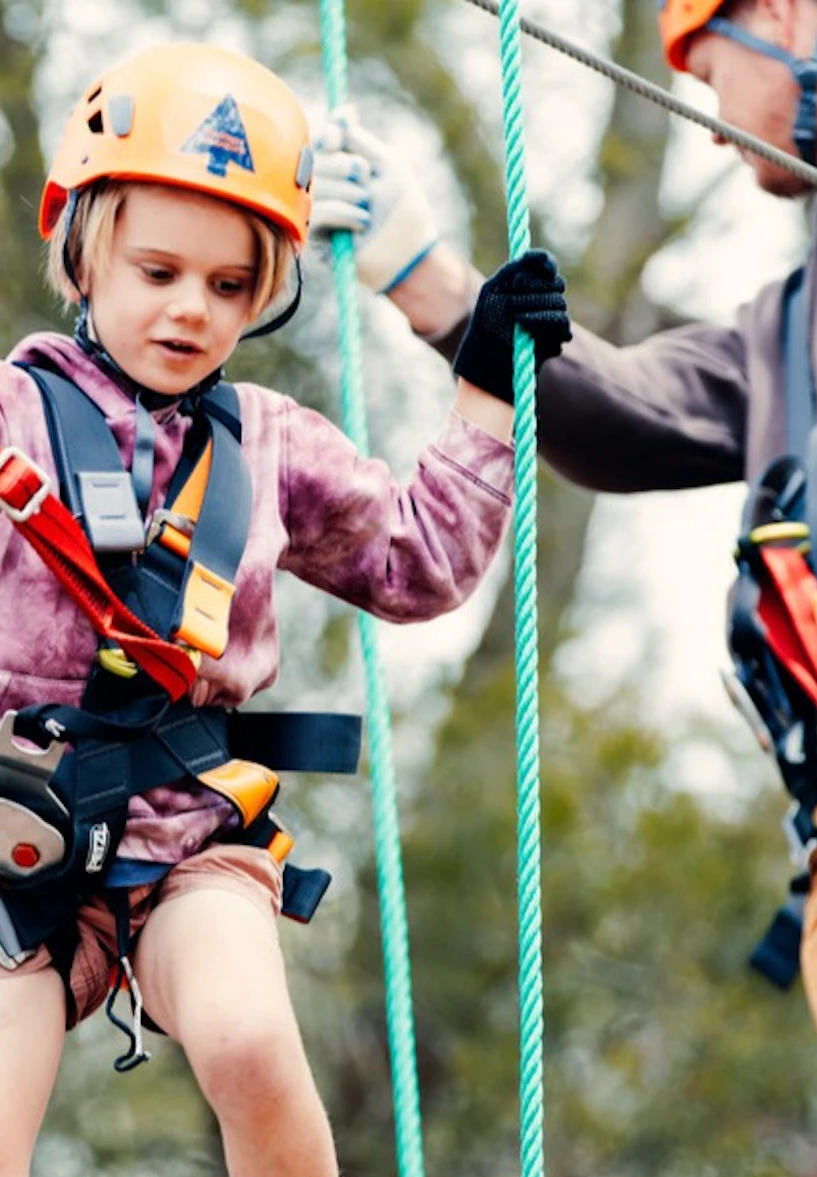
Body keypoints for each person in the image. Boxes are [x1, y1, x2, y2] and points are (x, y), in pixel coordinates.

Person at [0, 40, 570, 1177]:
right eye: (157, 271)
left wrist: (482, 395)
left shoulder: (273, 446)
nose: (190, 308)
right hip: (4, 841)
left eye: (229, 284)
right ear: (81, 248)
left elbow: (418, 564)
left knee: (251, 1037)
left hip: (190, 830)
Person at [307, 0, 817, 1006]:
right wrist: (438, 287)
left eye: (713, 79)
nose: (712, 126)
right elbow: (629, 412)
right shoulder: (788, 339)